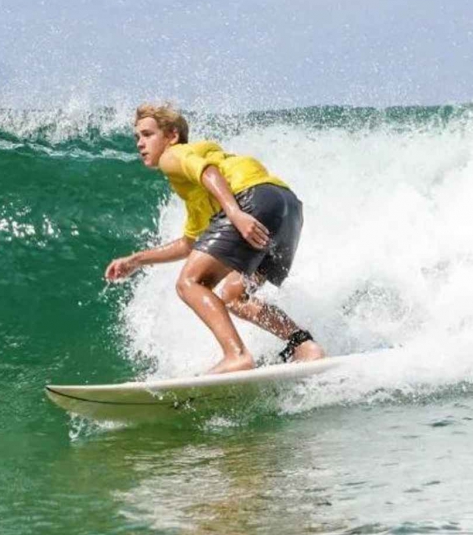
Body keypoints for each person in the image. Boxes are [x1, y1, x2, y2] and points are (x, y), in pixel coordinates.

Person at [105, 103, 326, 374]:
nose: (140, 143)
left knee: (190, 282)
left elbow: (208, 171)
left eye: (147, 134)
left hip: (250, 200)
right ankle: (303, 344)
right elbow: (190, 242)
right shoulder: (199, 194)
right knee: (235, 295)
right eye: (137, 137)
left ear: (172, 136)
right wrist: (137, 260)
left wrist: (235, 213)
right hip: (287, 208)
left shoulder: (172, 156)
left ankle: (236, 355)